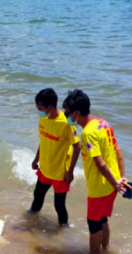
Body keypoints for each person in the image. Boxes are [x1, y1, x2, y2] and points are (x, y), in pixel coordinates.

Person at [63, 89, 132, 254]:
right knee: (102, 219)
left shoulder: (88, 133)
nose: (66, 116)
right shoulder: (103, 123)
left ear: (76, 113)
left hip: (101, 186)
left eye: (67, 113)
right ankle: (105, 248)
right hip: (112, 183)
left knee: (93, 224)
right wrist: (121, 177)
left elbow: (100, 164)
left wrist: (116, 183)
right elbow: (118, 150)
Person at [29, 88, 81, 227]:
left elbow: (77, 147)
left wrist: (70, 172)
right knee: (37, 195)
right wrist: (36, 159)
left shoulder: (66, 123)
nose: (38, 110)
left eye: (40, 108)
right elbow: (43, 138)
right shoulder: (43, 117)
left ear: (50, 107)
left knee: (59, 205)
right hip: (45, 166)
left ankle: (64, 231)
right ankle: (30, 222)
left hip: (61, 172)